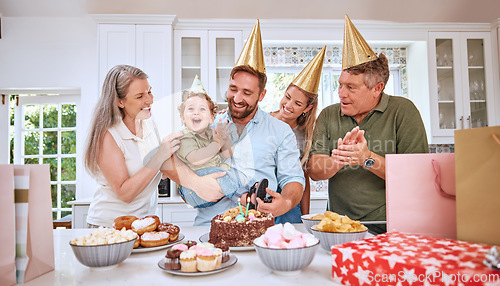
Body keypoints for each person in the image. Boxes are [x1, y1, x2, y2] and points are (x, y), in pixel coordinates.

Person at [161, 20, 305, 225]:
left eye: (247, 93)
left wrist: (286, 202)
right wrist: (194, 183)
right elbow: (165, 158)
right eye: (233, 89)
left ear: (261, 95)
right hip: (209, 227)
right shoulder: (206, 122)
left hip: (258, 228)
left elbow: (293, 180)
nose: (237, 98)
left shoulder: (280, 131)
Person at [307, 15, 428, 234]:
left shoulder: (403, 111)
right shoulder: (328, 115)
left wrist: (367, 159)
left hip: (391, 227)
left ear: (377, 88)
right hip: (338, 226)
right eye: (340, 85)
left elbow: (418, 176)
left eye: (351, 88)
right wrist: (338, 159)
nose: (341, 93)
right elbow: (315, 171)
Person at [84, 64, 184, 228]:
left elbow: (167, 169)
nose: (150, 100)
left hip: (144, 224)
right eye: (139, 97)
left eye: (149, 91)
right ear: (119, 101)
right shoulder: (108, 136)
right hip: (110, 227)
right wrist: (159, 156)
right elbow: (125, 193)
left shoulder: (150, 125)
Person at [269, 46, 326, 223]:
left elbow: (303, 178)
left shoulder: (304, 135)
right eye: (287, 97)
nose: (288, 105)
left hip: (290, 203)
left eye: (297, 103)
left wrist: (304, 217)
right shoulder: (263, 121)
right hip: (263, 196)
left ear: (307, 108)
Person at [176, 75, 241, 209]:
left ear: (212, 118)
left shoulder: (212, 133)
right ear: (183, 117)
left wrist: (224, 139)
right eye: (191, 109)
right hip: (193, 189)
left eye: (202, 109)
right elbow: (196, 159)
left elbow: (227, 155)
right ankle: (243, 197)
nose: (196, 113)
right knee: (224, 174)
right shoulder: (185, 135)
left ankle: (247, 192)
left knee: (233, 171)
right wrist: (218, 142)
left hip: (211, 188)